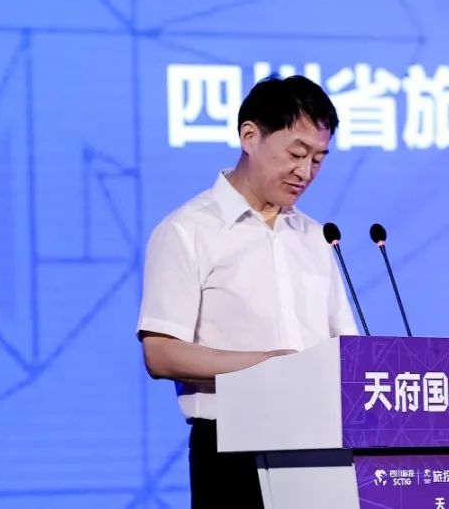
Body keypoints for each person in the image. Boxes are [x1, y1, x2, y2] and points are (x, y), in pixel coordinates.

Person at [136, 75, 359, 509]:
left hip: (322, 443)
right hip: (232, 449)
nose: (305, 172)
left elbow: (346, 347)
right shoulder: (187, 230)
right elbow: (160, 354)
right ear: (250, 136)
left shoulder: (315, 236)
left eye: (318, 159)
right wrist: (269, 367)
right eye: (296, 154)